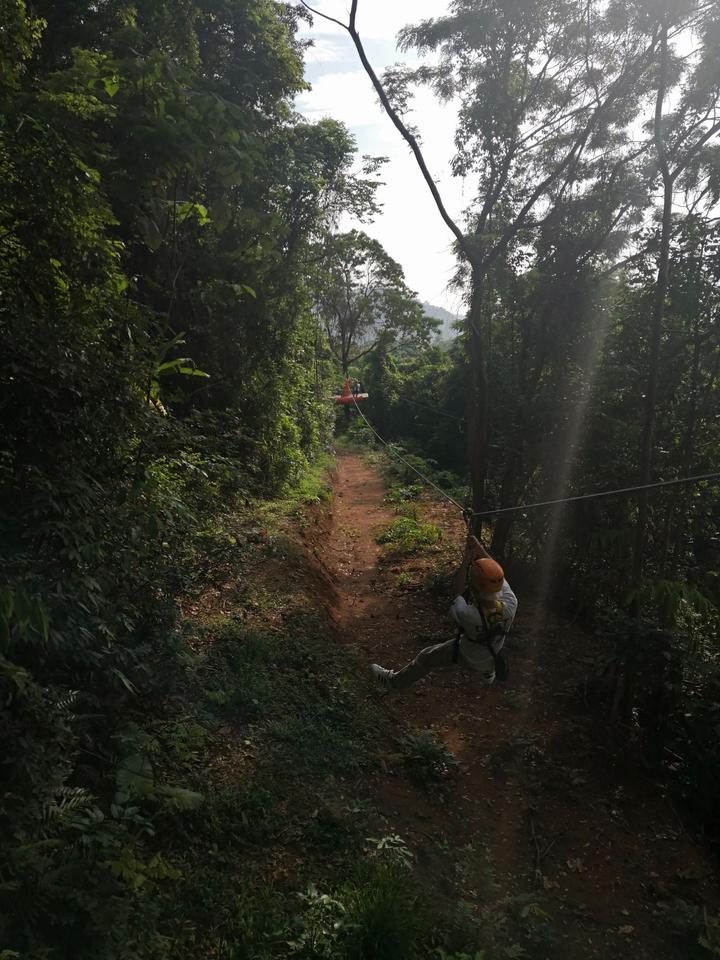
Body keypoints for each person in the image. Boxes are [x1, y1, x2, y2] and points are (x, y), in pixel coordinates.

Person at [369, 534, 517, 690]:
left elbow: (457, 591)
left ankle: (393, 682)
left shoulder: (468, 615)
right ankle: (488, 671)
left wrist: (466, 561)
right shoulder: (511, 603)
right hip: (492, 653)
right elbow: (496, 573)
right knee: (491, 641)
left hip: (466, 655)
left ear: (473, 588)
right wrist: (479, 548)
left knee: (426, 657)